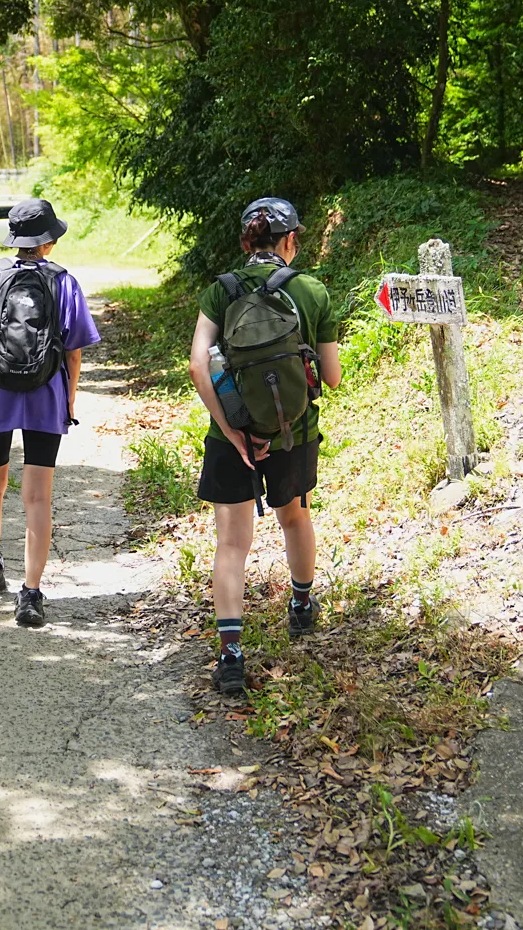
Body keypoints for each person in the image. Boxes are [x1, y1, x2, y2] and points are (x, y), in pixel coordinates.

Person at [187, 197, 342, 698]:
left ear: (244, 242)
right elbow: (333, 378)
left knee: (232, 544)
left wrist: (232, 431)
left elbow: (197, 365)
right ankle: (300, 608)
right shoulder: (311, 291)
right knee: (295, 517)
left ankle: (231, 656)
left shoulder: (222, 291)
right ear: (291, 240)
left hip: (231, 434)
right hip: (293, 433)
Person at [0, 197, 101, 627]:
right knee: (38, 495)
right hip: (45, 396)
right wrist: (70, 397)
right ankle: (31, 593)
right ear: (47, 242)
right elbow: (73, 353)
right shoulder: (63, 282)